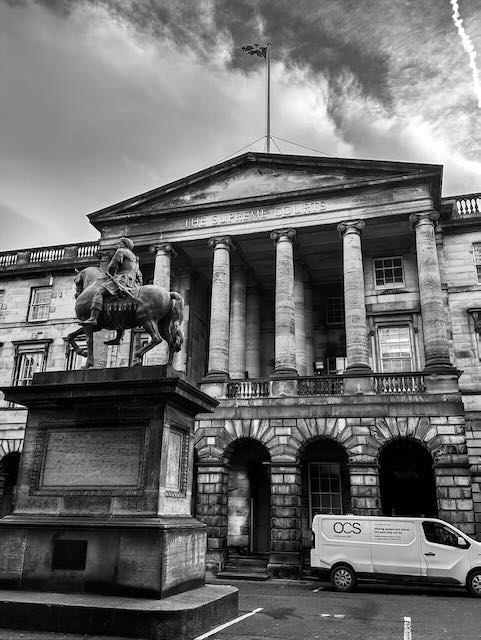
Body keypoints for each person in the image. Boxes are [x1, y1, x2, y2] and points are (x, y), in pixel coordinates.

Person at [81, 237, 142, 327]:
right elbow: (139, 274)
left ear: (124, 244)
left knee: (99, 292)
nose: (117, 245)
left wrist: (109, 273)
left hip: (122, 280)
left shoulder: (120, 251)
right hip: (132, 283)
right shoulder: (135, 258)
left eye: (119, 243)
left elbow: (113, 265)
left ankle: (93, 318)